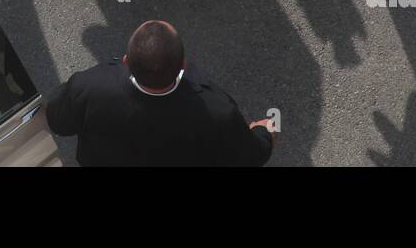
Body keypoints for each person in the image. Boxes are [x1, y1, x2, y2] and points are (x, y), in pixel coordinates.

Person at [45, 20, 274, 166]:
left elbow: (58, 121)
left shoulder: (90, 86)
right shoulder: (216, 111)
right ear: (182, 66)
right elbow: (248, 157)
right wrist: (263, 131)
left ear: (126, 60)